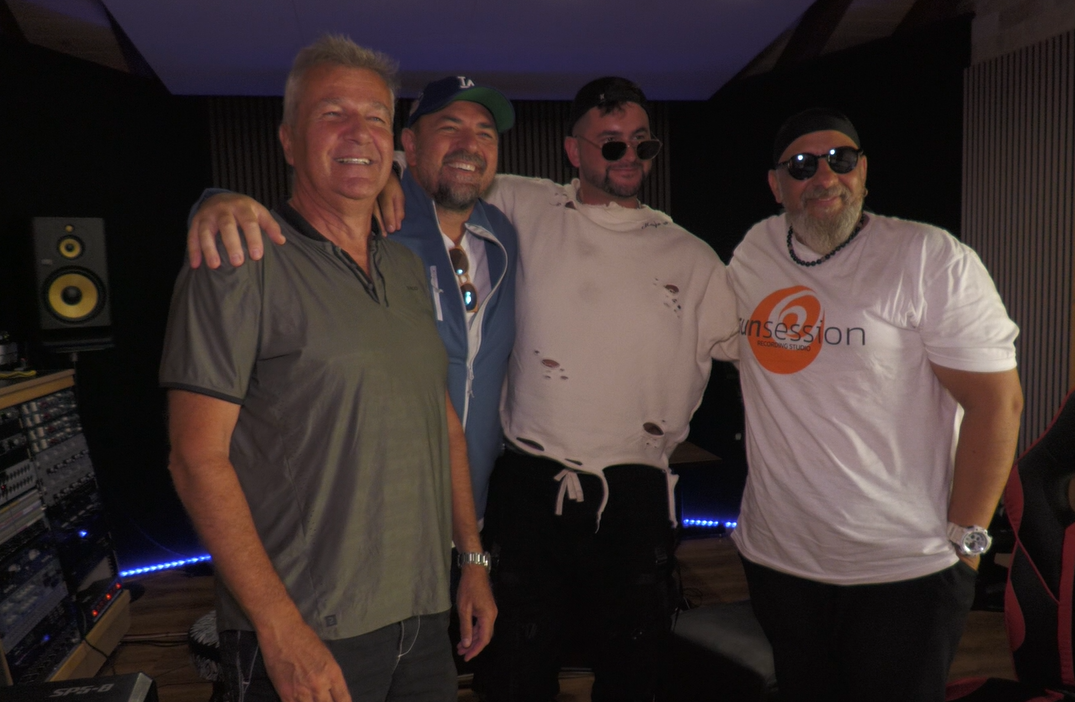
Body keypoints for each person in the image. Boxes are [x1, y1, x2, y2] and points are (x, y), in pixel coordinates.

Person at [186, 76, 739, 702]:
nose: (629, 156)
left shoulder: (647, 248)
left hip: (527, 503)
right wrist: (220, 199)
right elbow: (361, 162)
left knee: (614, 668)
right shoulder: (473, 217)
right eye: (611, 143)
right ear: (573, 150)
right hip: (430, 506)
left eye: (642, 144)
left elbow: (757, 345)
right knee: (509, 674)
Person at [161, 35, 494, 702]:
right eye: (331, 113)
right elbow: (195, 460)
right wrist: (280, 630)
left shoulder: (405, 268)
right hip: (309, 628)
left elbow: (445, 427)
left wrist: (472, 561)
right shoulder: (240, 261)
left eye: (374, 117)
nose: (357, 132)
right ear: (288, 140)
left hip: (423, 615)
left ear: (392, 145)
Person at [726, 108, 1024, 701]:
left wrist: (967, 546)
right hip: (779, 559)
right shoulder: (756, 249)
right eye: (802, 166)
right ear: (776, 185)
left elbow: (998, 403)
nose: (825, 177)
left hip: (903, 567)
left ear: (863, 172)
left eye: (842, 160)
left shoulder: (928, 256)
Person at [189, 74, 519, 523]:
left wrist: (473, 547)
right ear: (409, 145)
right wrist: (215, 201)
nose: (469, 145)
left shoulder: (504, 233)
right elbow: (295, 219)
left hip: (472, 504)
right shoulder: (375, 223)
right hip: (372, 512)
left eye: (485, 133)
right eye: (449, 127)